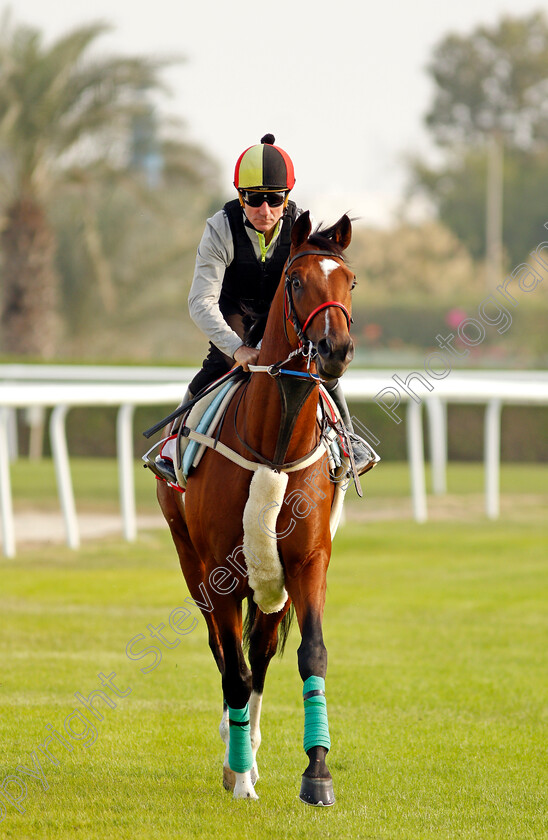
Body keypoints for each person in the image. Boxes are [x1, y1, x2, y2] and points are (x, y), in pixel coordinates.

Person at [150, 134, 377, 483]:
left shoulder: (300, 228)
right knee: (213, 370)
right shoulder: (220, 228)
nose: (265, 210)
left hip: (281, 321)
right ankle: (174, 446)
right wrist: (236, 347)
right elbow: (200, 301)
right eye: (254, 199)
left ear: (287, 196)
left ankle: (348, 439)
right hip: (235, 319)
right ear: (240, 195)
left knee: (321, 369)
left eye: (274, 199)